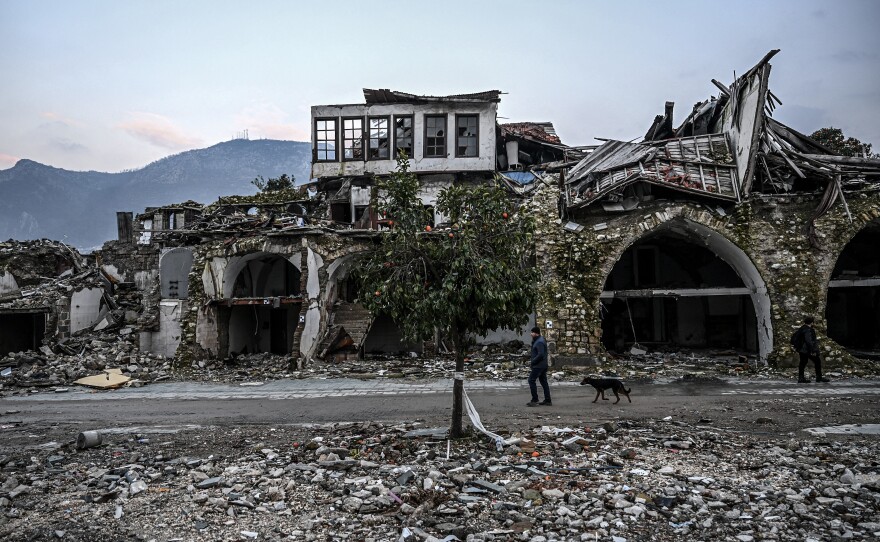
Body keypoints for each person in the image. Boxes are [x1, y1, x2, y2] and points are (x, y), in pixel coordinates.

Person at [792, 316, 830, 383]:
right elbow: (809, 341)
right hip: (807, 349)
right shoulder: (808, 330)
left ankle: (801, 378)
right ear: (812, 322)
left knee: (803, 363)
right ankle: (819, 377)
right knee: (817, 361)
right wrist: (813, 350)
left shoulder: (802, 328)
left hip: (801, 349)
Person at [527, 326, 552, 406]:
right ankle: (547, 400)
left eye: (532, 332)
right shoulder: (539, 340)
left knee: (531, 380)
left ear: (536, 333)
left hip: (539, 365)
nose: (531, 334)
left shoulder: (539, 342)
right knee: (544, 382)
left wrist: (533, 362)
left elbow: (540, 354)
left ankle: (535, 399)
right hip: (542, 365)